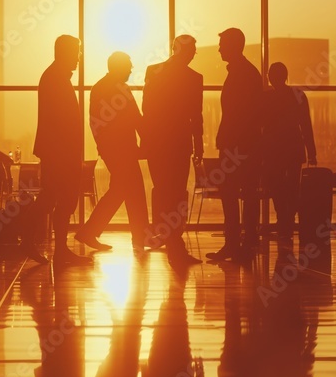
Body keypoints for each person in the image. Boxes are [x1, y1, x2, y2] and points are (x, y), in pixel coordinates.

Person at [76, 51, 150, 254]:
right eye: (128, 65)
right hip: (123, 149)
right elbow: (135, 118)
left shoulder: (100, 88)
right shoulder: (120, 89)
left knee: (124, 189)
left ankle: (91, 231)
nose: (131, 68)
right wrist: (149, 143)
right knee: (131, 189)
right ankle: (139, 236)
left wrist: (103, 146)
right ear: (119, 67)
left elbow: (96, 123)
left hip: (113, 149)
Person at [26, 34, 91, 265]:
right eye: (76, 52)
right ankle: (56, 249)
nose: (79, 58)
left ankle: (43, 243)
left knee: (53, 197)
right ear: (65, 52)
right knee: (60, 199)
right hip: (60, 153)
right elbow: (60, 122)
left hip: (58, 152)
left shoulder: (54, 77)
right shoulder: (55, 79)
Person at [141, 35, 204, 267]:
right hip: (179, 144)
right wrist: (199, 145)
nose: (193, 55)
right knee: (177, 193)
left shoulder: (154, 71)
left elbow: (147, 109)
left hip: (158, 144)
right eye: (192, 51)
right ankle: (174, 242)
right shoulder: (194, 78)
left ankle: (167, 237)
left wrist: (146, 141)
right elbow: (195, 116)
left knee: (163, 190)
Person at [208, 28, 265, 262]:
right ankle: (244, 243)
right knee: (245, 194)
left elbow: (239, 114)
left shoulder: (243, 74)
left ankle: (237, 244)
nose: (219, 48)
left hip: (238, 146)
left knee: (232, 195)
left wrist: (228, 139)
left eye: (222, 44)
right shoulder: (246, 73)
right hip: (243, 145)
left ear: (233, 46)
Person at [262, 62, 317, 251]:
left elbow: (260, 127)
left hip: (272, 150)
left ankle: (282, 220)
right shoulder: (298, 96)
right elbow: (305, 125)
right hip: (293, 148)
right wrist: (312, 152)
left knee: (276, 187)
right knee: (292, 187)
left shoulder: (265, 97)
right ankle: (288, 220)